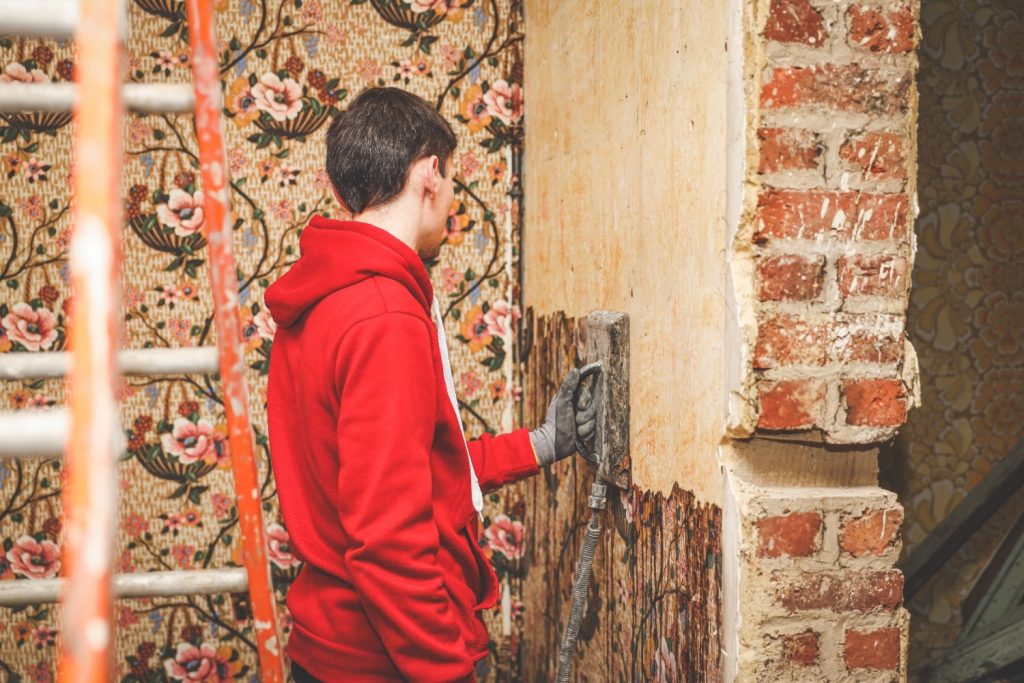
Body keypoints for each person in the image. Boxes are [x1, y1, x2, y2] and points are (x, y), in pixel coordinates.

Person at [264, 87, 595, 683]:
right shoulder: (384, 314)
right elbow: (387, 534)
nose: (451, 202)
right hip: (383, 662)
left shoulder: (325, 298)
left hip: (331, 649)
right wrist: (445, 671)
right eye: (451, 182)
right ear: (430, 174)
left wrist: (542, 443)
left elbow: (413, 472)